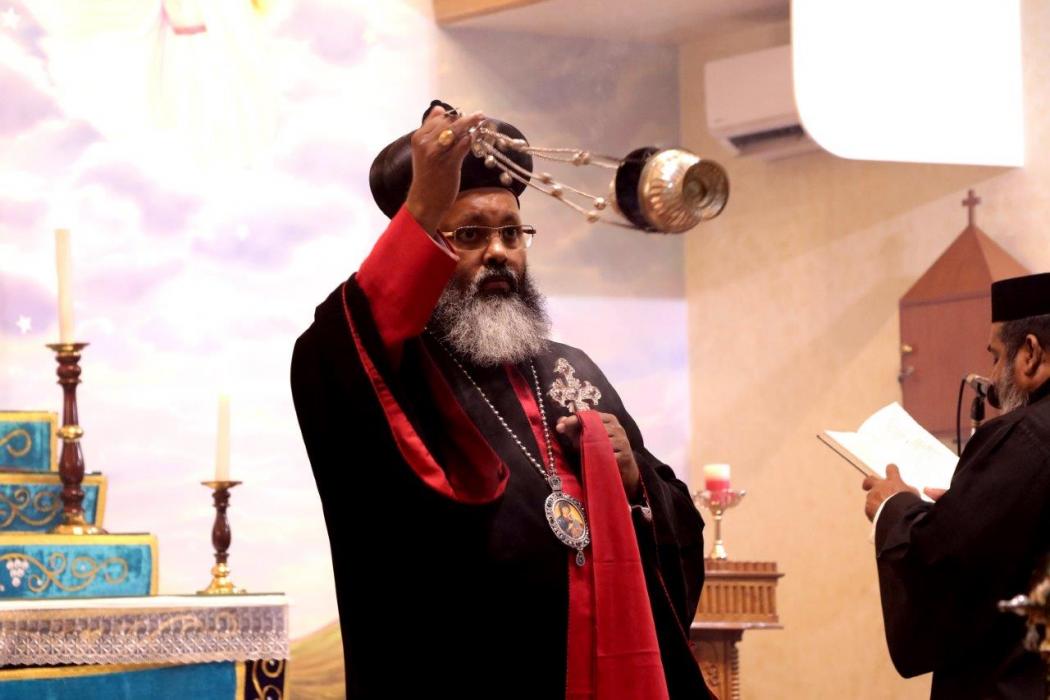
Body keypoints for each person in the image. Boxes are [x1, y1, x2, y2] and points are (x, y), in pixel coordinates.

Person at [290, 100, 710, 700]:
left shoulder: (572, 369)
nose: (499, 252)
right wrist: (424, 202)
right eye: (469, 234)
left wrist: (634, 480)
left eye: (512, 232)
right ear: (422, 245)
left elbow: (675, 522)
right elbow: (331, 356)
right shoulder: (396, 375)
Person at [862, 271, 1050, 699]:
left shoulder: (1025, 435)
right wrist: (967, 509)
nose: (993, 375)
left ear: (1031, 353)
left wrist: (894, 507)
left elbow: (943, 563)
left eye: (997, 357)